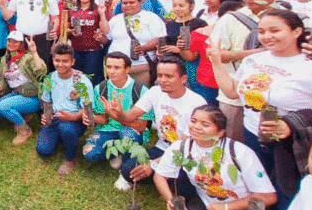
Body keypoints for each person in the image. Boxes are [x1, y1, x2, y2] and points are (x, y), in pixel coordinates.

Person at [208, 10, 312, 210]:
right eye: (262, 31)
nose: (267, 36)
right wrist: (216, 62)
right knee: (258, 191)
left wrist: (291, 124)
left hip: (293, 148)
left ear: (296, 31)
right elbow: (232, 90)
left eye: (275, 30)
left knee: (288, 200)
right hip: (252, 137)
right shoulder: (254, 60)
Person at [103, 57, 207, 190]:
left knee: (183, 185)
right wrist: (120, 112)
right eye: (160, 75)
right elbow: (131, 115)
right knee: (128, 168)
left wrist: (153, 164)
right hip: (162, 148)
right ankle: (157, 176)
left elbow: (185, 146)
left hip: (186, 153)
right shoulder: (155, 91)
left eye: (169, 76)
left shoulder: (196, 102)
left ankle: (160, 177)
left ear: (183, 79)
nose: (162, 80)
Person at [209, 0, 281, 142]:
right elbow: (213, 53)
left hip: (275, 97)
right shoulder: (231, 19)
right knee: (234, 143)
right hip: (235, 96)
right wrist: (251, 54)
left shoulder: (288, 18)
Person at [83, 52, 152, 186]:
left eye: (117, 67)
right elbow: (103, 120)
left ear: (127, 69)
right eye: (108, 67)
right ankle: (116, 153)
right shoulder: (101, 88)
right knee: (89, 153)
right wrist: (91, 117)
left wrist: (116, 115)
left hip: (132, 130)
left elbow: (142, 126)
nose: (111, 71)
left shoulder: (140, 90)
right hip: (109, 130)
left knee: (128, 135)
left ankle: (126, 171)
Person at [36, 43, 93, 175]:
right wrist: (46, 115)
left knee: (66, 129)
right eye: (57, 60)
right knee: (43, 151)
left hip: (74, 121)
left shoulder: (81, 81)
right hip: (56, 118)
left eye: (65, 61)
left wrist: (72, 117)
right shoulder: (50, 78)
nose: (60, 64)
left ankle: (71, 159)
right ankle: (63, 138)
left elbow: (88, 109)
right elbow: (47, 100)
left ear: (73, 61)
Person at [0, 31, 47, 145]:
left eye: (15, 41)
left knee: (4, 107)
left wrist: (34, 52)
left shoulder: (28, 58)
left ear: (22, 44)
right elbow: (4, 80)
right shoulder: (4, 60)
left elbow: (41, 71)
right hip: (17, 94)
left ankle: (25, 131)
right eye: (9, 41)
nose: (11, 43)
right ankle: (24, 114)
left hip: (32, 97)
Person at [0, 0, 60, 69]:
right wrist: (2, 3)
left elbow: (55, 18)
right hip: (21, 40)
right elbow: (7, 16)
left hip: (42, 40)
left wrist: (53, 29)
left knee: (42, 68)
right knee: (21, 69)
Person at [105, 0, 166, 86]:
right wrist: (99, 37)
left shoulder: (151, 18)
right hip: (116, 68)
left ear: (140, 3)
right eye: (124, 3)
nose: (128, 5)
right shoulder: (115, 20)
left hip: (141, 67)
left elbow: (160, 38)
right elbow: (107, 39)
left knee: (141, 96)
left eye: (132, 2)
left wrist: (145, 48)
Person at [160, 0, 207, 93]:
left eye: (181, 6)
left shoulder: (199, 24)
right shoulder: (170, 24)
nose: (177, 9)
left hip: (192, 65)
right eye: (174, 6)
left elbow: (201, 49)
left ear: (191, 6)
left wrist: (178, 49)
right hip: (172, 65)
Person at [67, 0, 109, 86]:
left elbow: (105, 30)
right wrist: (71, 32)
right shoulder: (72, 10)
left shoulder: (97, 9)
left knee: (92, 81)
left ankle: (93, 101)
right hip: (75, 51)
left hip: (93, 52)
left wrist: (102, 14)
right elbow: (65, 29)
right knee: (76, 81)